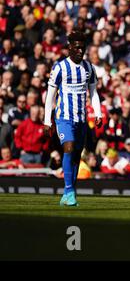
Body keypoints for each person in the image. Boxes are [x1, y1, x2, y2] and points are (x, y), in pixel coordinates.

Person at [44, 30, 103, 206]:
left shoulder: (89, 68)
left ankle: (69, 192)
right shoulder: (60, 68)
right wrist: (48, 120)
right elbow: (50, 95)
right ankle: (69, 190)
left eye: (82, 48)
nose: (80, 51)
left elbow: (93, 92)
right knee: (68, 148)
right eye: (77, 48)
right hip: (64, 118)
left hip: (82, 119)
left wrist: (98, 112)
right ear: (69, 47)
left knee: (77, 155)